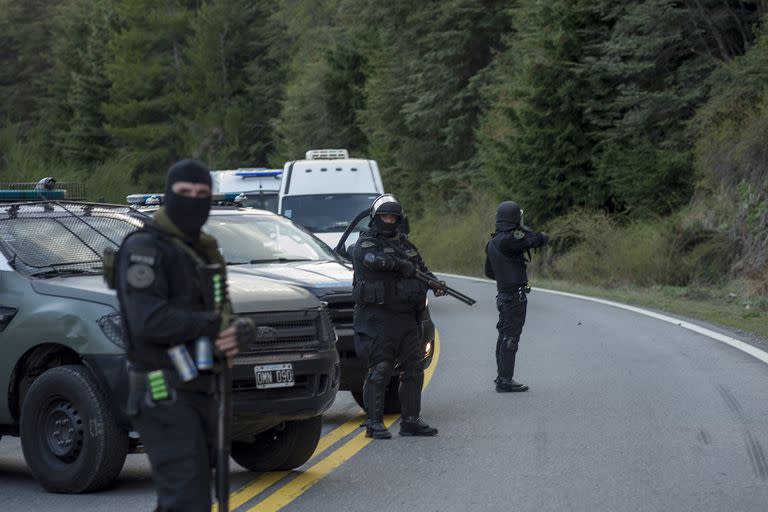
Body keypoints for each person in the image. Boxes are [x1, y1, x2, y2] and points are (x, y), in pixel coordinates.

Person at [113, 159, 243, 512]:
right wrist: (211, 326)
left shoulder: (204, 250)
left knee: (189, 495)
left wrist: (236, 331)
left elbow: (220, 312)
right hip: (161, 388)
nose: (193, 200)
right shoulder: (145, 248)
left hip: (201, 387)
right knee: (187, 499)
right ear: (168, 195)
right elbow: (148, 321)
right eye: (184, 193)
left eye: (202, 194)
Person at [351, 194, 445, 439]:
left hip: (406, 318)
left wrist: (435, 283)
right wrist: (398, 265)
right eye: (385, 216)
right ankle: (374, 423)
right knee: (380, 369)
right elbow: (373, 261)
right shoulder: (365, 243)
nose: (389, 220)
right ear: (376, 218)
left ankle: (411, 420)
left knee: (414, 369)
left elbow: (422, 270)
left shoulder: (406, 245)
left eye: (393, 217)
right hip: (377, 319)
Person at [484, 201, 548, 393]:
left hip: (503, 294)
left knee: (504, 335)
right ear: (514, 218)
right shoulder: (510, 239)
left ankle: (502, 376)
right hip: (514, 296)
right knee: (511, 338)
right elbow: (536, 239)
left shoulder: (493, 241)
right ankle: (505, 379)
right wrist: (539, 235)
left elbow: (489, 272)